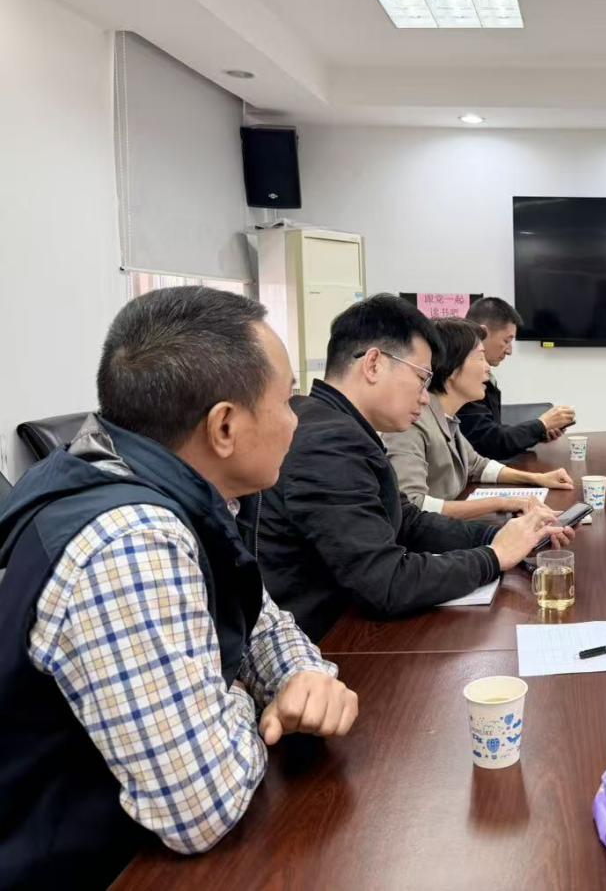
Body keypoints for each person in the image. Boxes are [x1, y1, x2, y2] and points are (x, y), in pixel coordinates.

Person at [0, 287, 359, 887]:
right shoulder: (130, 544)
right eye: (286, 399)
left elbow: (263, 623)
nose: (297, 418)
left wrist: (303, 676)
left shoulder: (180, 491)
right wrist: (249, 699)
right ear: (224, 426)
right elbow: (201, 805)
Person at [255, 294, 572, 641]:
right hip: (328, 643)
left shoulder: (340, 426)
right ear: (373, 364)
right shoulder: (328, 443)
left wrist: (498, 536)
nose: (425, 396)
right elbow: (386, 582)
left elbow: (408, 521)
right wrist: (493, 557)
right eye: (422, 378)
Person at [385, 318, 575, 519]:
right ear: (452, 367)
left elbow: (478, 466)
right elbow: (413, 505)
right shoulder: (411, 422)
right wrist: (500, 502)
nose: (487, 368)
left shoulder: (446, 416)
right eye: (480, 357)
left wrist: (537, 479)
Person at [459, 297, 576, 460]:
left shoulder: (483, 380)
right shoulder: (462, 380)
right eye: (506, 340)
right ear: (481, 333)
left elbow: (491, 437)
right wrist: (540, 425)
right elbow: (489, 442)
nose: (510, 351)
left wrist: (539, 431)